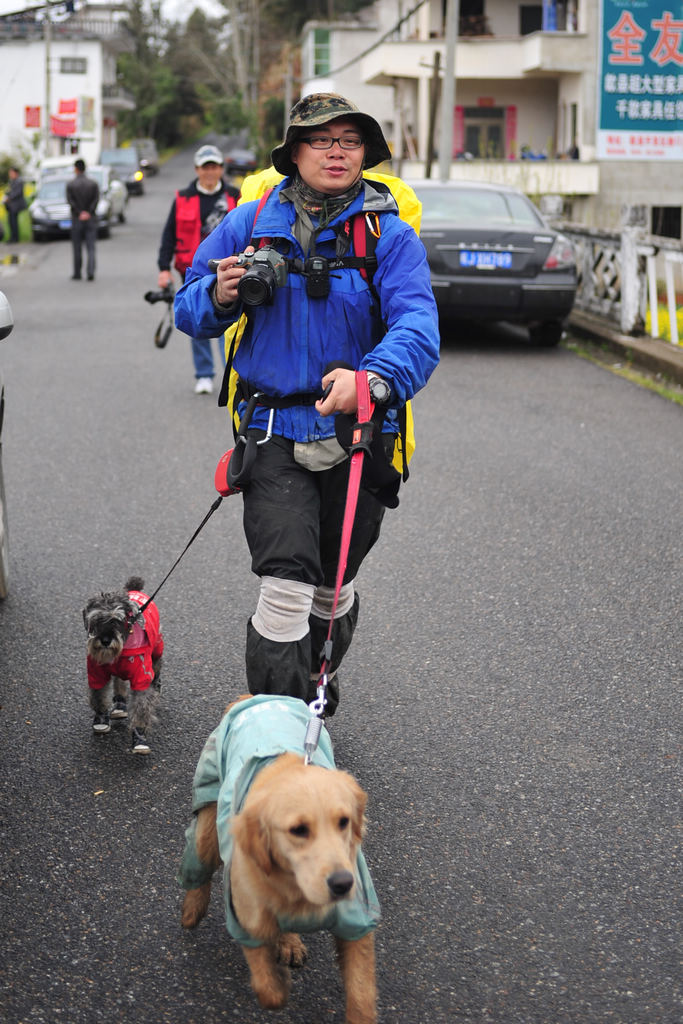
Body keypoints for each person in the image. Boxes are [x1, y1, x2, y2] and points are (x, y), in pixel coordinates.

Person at [174, 93, 440, 715]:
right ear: (294, 153)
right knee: (285, 585)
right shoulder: (249, 221)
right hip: (272, 426)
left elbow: (418, 328)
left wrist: (371, 380)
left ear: (366, 154)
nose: (337, 151)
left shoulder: (391, 235)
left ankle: (315, 682)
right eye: (321, 140)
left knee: (332, 585)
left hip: (361, 432)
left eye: (349, 140)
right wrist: (218, 291)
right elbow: (189, 309)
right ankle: (281, 732)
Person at [157, 144, 240, 395]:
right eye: (205, 167)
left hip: (231, 267)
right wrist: (163, 268)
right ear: (197, 169)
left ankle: (232, 374)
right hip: (194, 270)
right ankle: (204, 374)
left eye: (214, 166)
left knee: (233, 323)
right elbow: (169, 235)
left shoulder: (235, 196)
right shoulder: (183, 197)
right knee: (199, 318)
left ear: (221, 169)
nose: (210, 172)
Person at [66, 158, 99, 280]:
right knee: (91, 247)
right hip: (90, 219)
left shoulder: (71, 184)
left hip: (77, 219)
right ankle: (90, 272)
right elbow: (96, 200)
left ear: (76, 169)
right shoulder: (93, 183)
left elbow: (70, 201)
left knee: (77, 247)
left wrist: (79, 213)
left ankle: (77, 273)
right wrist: (88, 212)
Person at [3, 167, 27, 245]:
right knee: (11, 222)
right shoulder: (12, 181)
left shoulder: (19, 181)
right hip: (11, 206)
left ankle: (15, 238)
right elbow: (10, 191)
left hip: (16, 206)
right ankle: (13, 237)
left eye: (11, 173)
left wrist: (9, 198)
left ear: (16, 173)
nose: (10, 174)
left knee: (14, 222)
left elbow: (17, 193)